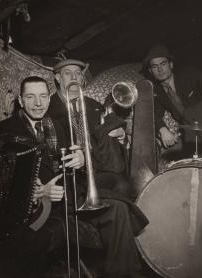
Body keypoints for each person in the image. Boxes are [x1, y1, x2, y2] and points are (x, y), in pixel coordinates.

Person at [48, 59, 148, 278]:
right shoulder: (49, 109)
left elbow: (110, 156)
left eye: (77, 74)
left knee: (122, 189)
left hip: (98, 179)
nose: (74, 78)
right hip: (72, 182)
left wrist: (121, 138)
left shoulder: (93, 105)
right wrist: (82, 157)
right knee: (120, 205)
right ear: (57, 77)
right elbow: (52, 151)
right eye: (67, 74)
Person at [0, 76, 72, 277]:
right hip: (22, 215)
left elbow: (64, 166)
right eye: (30, 96)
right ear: (20, 100)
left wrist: (78, 159)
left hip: (61, 204)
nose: (38, 103)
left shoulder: (57, 126)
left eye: (43, 96)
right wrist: (38, 192)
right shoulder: (0, 132)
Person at [143, 44, 202, 166]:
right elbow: (153, 112)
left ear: (171, 65)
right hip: (188, 133)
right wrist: (162, 129)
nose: (160, 70)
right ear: (151, 71)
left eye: (163, 64)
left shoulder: (189, 77)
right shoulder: (156, 90)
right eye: (155, 66)